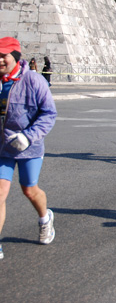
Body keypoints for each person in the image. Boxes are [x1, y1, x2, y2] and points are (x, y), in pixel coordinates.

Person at [0, 37, 57, 260]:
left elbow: (49, 114)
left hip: (28, 148)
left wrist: (28, 136)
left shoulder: (33, 80)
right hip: (2, 148)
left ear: (14, 57)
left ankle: (45, 218)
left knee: (29, 190)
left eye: (3, 56)